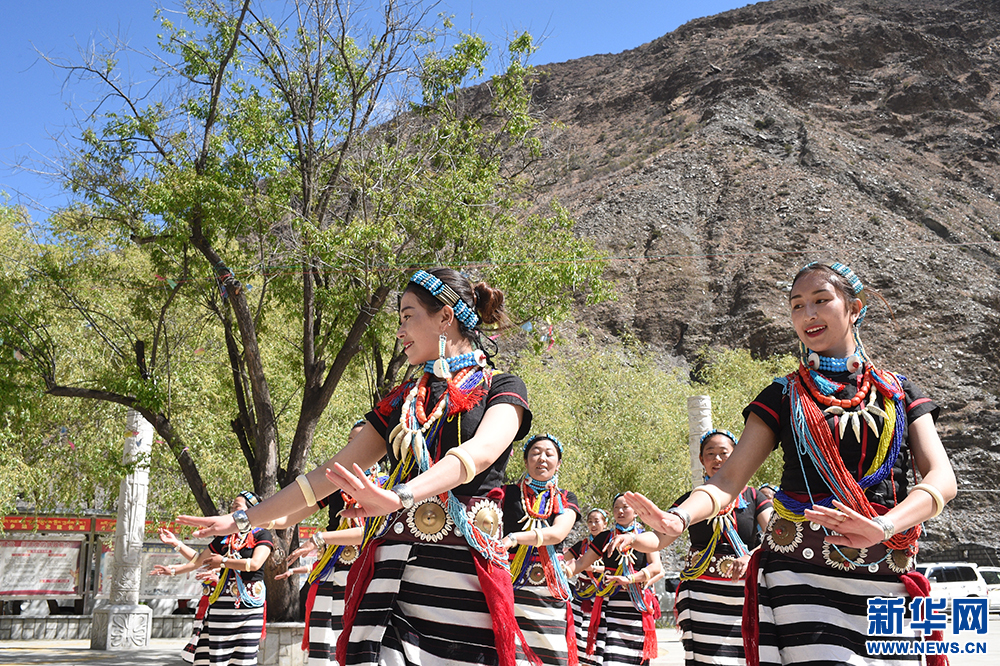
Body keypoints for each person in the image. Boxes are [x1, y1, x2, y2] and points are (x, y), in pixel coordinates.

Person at [178, 268, 533, 666]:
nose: (399, 331)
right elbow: (325, 476)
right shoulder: (401, 399)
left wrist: (398, 496)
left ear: (445, 317)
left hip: (463, 576)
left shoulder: (502, 387)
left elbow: (479, 454)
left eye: (408, 316)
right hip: (389, 576)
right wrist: (243, 520)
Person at [625, 261, 957, 666]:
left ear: (855, 308)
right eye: (797, 305)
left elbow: (942, 479)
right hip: (801, 573)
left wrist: (883, 526)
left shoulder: (900, 392)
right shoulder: (782, 395)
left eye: (821, 300)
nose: (808, 314)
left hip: (889, 570)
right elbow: (728, 480)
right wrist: (680, 517)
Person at [274, 420, 375, 666]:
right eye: (349, 442)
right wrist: (256, 520)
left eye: (359, 441)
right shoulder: (335, 484)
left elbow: (369, 532)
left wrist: (320, 538)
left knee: (354, 640)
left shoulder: (384, 483)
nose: (353, 447)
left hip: (363, 569)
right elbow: (292, 515)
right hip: (331, 568)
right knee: (323, 642)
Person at [672, 429, 773, 666]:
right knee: (705, 658)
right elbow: (661, 536)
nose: (717, 459)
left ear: (736, 455)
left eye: (724, 453)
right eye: (710, 453)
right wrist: (637, 538)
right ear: (701, 459)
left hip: (744, 593)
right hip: (701, 595)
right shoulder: (691, 500)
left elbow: (775, 535)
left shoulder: (754, 497)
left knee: (746, 656)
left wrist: (750, 556)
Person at [153, 491, 274, 666]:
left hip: (250, 607)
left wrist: (223, 562)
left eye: (237, 507)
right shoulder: (225, 538)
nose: (232, 511)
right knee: (218, 657)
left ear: (252, 510)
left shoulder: (262, 535)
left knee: (245, 658)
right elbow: (198, 561)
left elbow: (255, 564)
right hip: (222, 606)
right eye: (231, 508)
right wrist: (176, 545)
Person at [499, 433, 581, 666]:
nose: (542, 458)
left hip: (548, 587)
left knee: (552, 653)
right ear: (526, 461)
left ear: (559, 463)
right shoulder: (505, 494)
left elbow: (557, 534)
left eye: (549, 454)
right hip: (511, 585)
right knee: (511, 653)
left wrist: (514, 538)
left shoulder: (565, 498)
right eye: (535, 453)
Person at [567, 493, 662, 666]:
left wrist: (630, 579)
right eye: (616, 508)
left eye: (625, 507)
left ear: (636, 511)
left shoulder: (646, 537)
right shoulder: (605, 538)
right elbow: (581, 563)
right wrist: (561, 572)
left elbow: (656, 567)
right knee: (611, 656)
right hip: (610, 603)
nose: (620, 511)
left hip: (637, 605)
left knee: (636, 656)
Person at [564, 509, 609, 666]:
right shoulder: (583, 545)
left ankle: (593, 662)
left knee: (595, 631)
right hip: (580, 595)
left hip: (599, 596)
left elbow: (615, 568)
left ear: (605, 523)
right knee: (576, 630)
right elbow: (564, 558)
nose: (593, 524)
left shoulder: (609, 544)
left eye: (597, 521)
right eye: (590, 521)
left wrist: (594, 568)